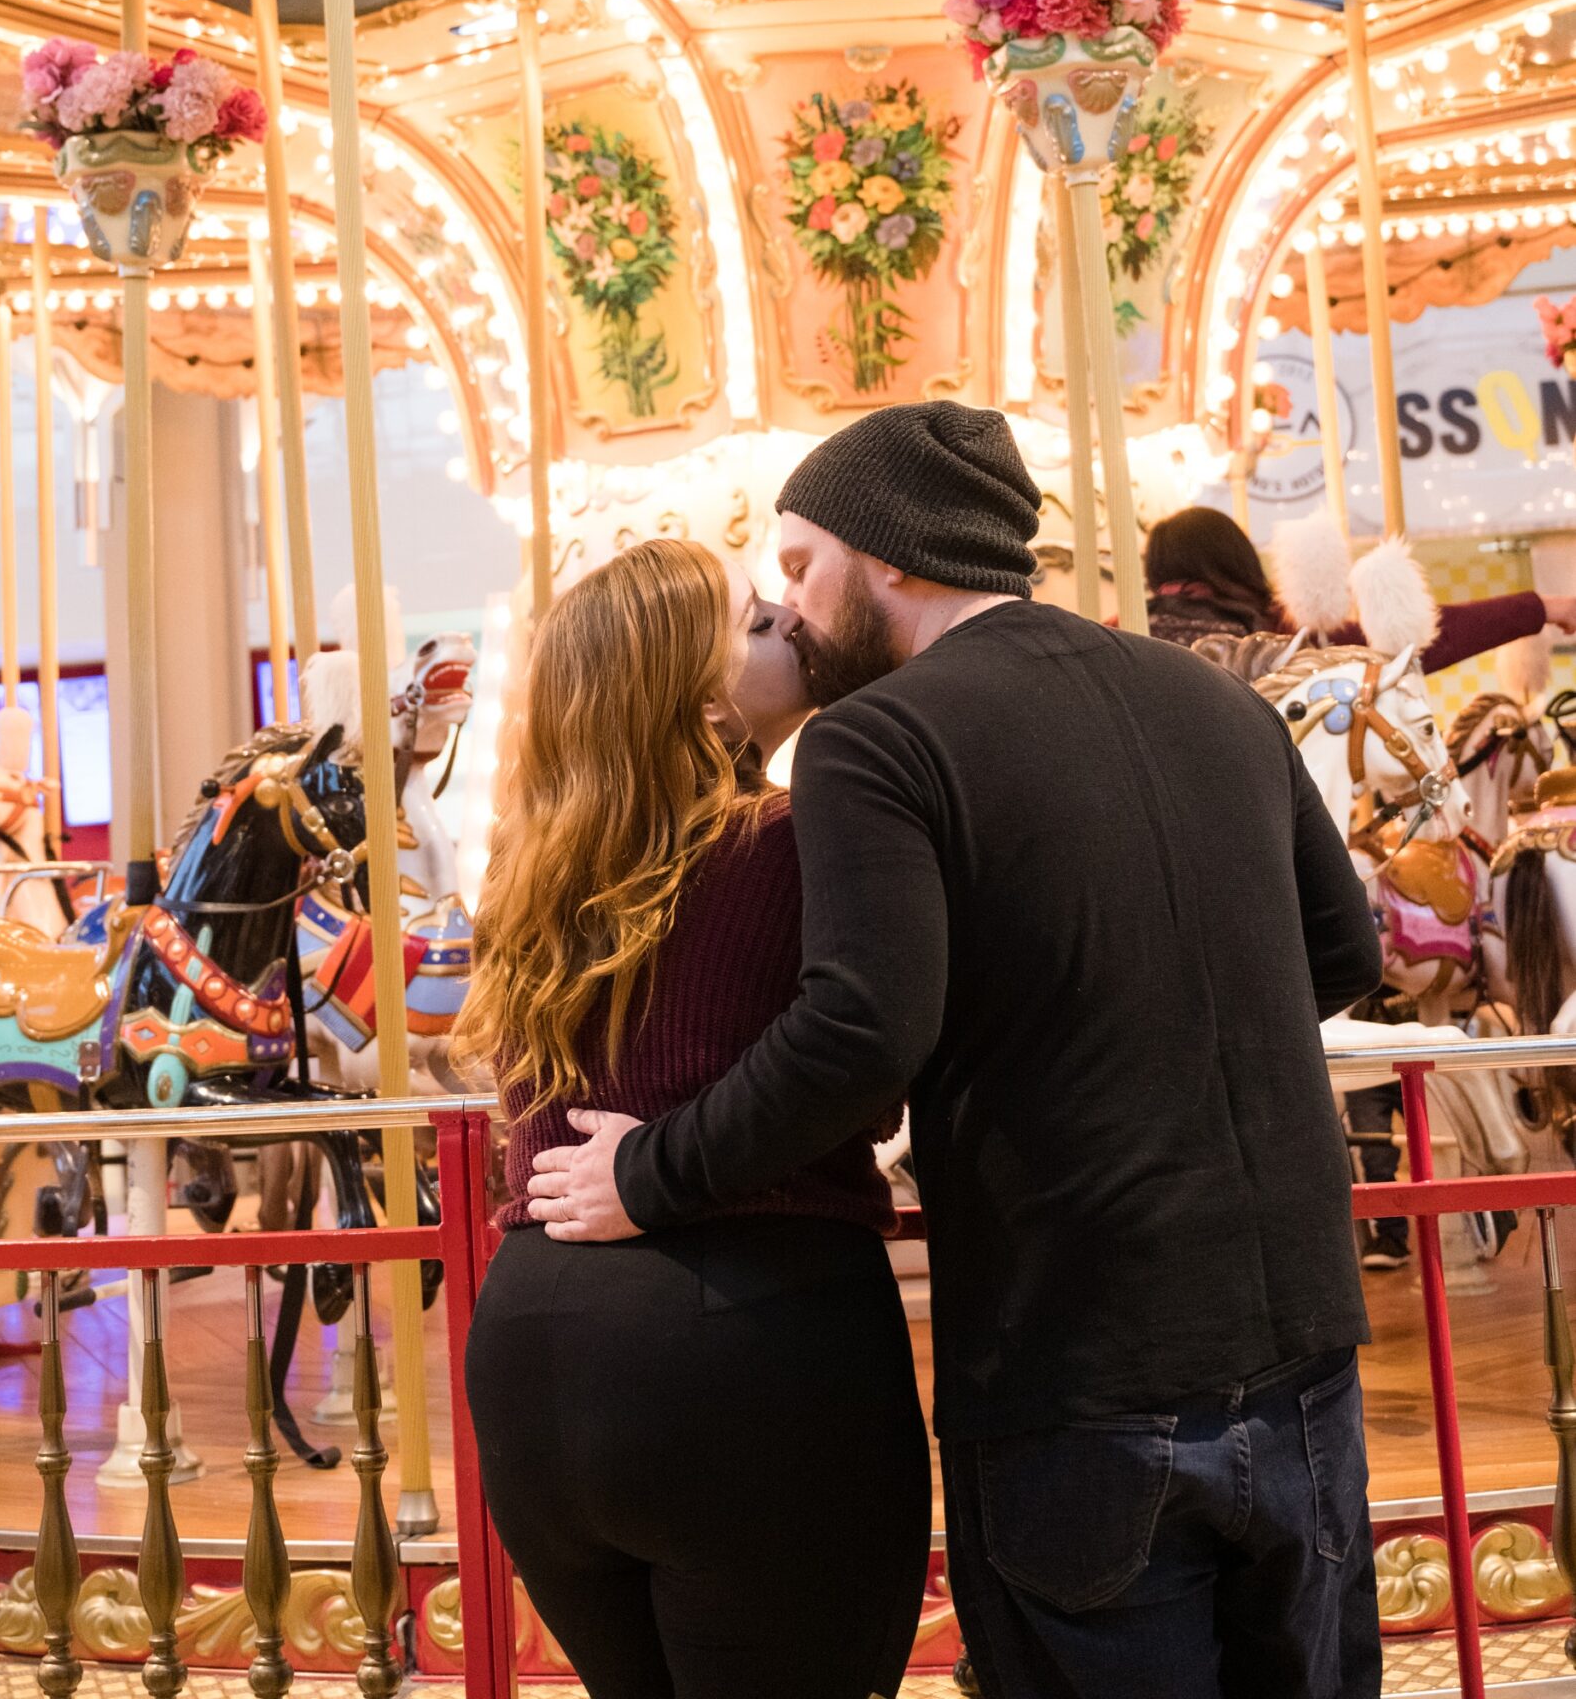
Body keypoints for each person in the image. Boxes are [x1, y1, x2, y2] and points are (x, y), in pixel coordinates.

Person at [529, 402, 1385, 1699]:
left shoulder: (880, 739)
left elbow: (862, 1031)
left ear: (895, 558)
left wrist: (648, 1172)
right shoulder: (1215, 703)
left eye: (801, 568)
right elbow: (1336, 955)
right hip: (1302, 1344)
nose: (792, 611)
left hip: (1081, 1357)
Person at [454, 537, 929, 1699]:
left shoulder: (534, 878)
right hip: (740, 1335)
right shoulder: (791, 838)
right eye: (756, 618)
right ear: (699, 695)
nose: (790, 621)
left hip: (533, 1349)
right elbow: (868, 1072)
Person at [1144, 501, 1576, 665]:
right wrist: (1544, 607)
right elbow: (1405, 645)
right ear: (1235, 564)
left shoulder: (1122, 630)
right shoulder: (1279, 637)